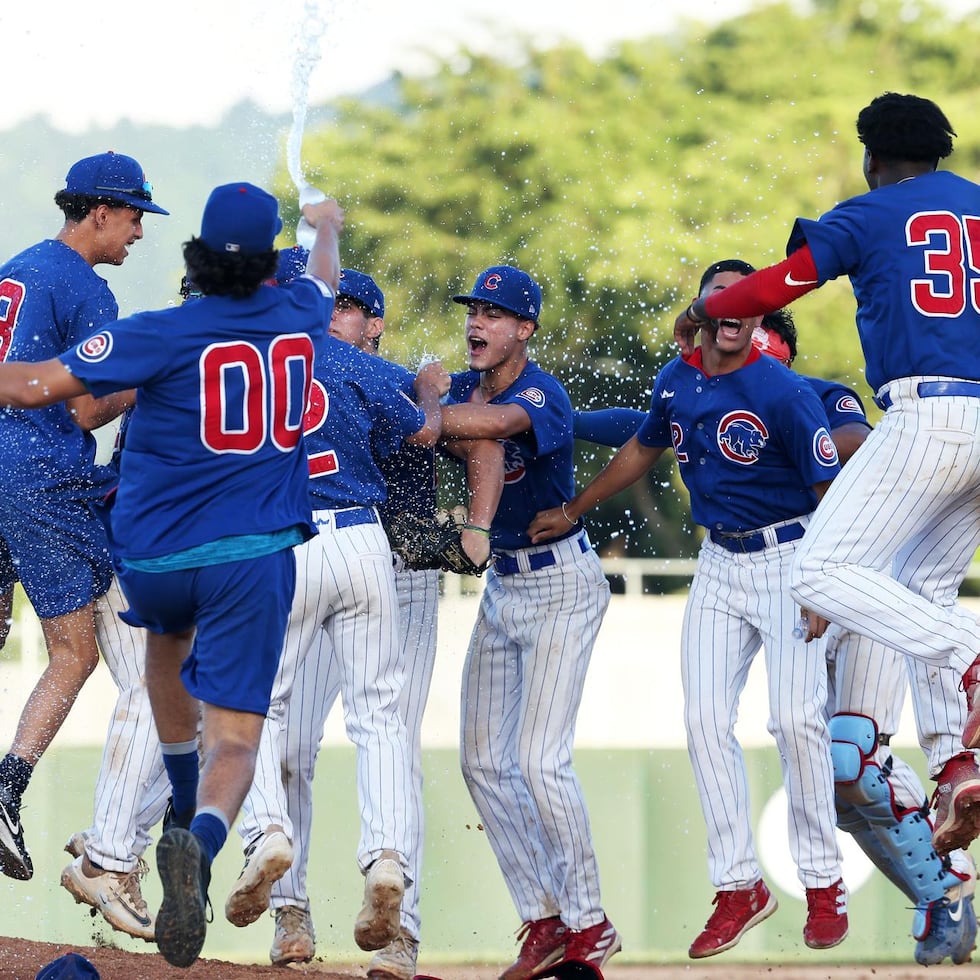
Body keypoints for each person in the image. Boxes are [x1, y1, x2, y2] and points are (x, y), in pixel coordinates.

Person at [0, 180, 344, 968]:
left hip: (158, 561)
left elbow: (28, 386)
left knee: (162, 656)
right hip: (252, 560)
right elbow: (325, 277)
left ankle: (180, 804)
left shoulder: (161, 330)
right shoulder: (301, 314)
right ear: (269, 267)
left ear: (197, 257)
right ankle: (201, 836)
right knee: (237, 743)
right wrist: (325, 225)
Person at [576, 298, 977, 964]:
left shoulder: (813, 395)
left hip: (849, 578)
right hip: (751, 569)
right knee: (840, 788)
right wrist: (560, 419)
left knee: (845, 755)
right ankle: (937, 890)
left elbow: (859, 443)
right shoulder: (696, 392)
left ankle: (943, 868)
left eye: (760, 335)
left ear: (777, 345)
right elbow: (645, 430)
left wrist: (792, 437)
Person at [674, 91, 980, 858]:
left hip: (928, 412)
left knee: (819, 572)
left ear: (872, 158)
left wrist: (712, 307)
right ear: (938, 151)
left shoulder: (872, 211)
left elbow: (772, 289)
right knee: (924, 584)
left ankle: (971, 657)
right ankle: (957, 764)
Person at [532, 260, 848, 958]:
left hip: (792, 557)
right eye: (720, 297)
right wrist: (575, 509)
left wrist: (826, 581)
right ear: (701, 311)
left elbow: (830, 493)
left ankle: (824, 882)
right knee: (704, 720)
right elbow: (642, 448)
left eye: (747, 299)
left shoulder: (785, 392)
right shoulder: (676, 380)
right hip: (719, 562)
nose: (733, 309)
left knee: (795, 719)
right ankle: (738, 886)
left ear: (759, 315)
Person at [251, 266, 500, 978]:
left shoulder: (389, 377)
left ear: (376, 323)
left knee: (392, 743)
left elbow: (483, 442)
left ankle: (400, 932)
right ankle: (291, 913)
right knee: (295, 746)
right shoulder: (326, 373)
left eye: (352, 306)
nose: (337, 312)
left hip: (401, 577)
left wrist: (478, 523)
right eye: (329, 302)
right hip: (337, 559)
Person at [438, 265, 620, 979]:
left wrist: (421, 412)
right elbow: (437, 400)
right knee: (482, 761)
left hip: (560, 583)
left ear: (524, 329)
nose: (477, 323)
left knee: (542, 760)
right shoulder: (461, 385)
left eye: (494, 313)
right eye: (473, 311)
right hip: (503, 585)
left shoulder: (541, 390)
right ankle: (544, 917)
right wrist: (422, 393)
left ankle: (590, 921)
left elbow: (493, 426)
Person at [0, 151, 167, 882]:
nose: (139, 232)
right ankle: (6, 790)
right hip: (38, 472)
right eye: (134, 216)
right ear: (100, 212)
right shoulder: (86, 288)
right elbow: (85, 409)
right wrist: (152, 379)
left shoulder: (17, 265)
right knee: (74, 652)